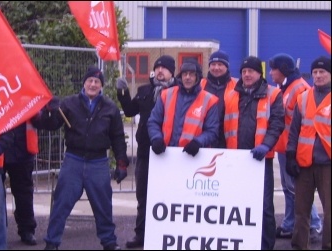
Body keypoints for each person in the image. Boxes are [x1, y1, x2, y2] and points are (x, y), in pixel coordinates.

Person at [39, 65, 130, 250]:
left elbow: (118, 138)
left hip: (98, 163)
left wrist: (122, 163)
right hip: (73, 160)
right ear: (84, 83)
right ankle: (52, 242)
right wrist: (48, 110)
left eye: (97, 82)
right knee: (61, 204)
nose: (93, 84)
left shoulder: (110, 108)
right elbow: (50, 125)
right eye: (90, 80)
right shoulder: (69, 103)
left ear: (101, 86)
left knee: (103, 206)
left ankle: (109, 242)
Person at [116, 55, 178, 248]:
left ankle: (168, 235)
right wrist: (123, 92)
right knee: (143, 196)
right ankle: (141, 235)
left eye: (164, 68)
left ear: (172, 72)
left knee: (169, 197)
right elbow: (129, 111)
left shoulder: (179, 92)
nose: (160, 71)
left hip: (171, 155)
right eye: (157, 68)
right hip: (145, 152)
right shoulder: (144, 90)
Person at [223, 56, 285, 250]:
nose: (247, 75)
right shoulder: (232, 94)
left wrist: (266, 146)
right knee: (237, 204)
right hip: (235, 160)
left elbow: (276, 123)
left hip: (260, 160)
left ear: (260, 73)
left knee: (265, 206)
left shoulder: (273, 94)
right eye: (244, 71)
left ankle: (266, 245)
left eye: (251, 71)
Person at [269, 53, 322, 242]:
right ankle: (290, 223)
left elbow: (304, 123)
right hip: (285, 147)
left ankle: (314, 224)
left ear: (282, 70)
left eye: (273, 68)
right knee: (288, 188)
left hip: (295, 149)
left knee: (296, 189)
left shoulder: (298, 89)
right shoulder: (288, 87)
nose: (270, 72)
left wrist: (294, 150)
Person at [286, 56, 331, 250]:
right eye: (315, 72)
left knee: (330, 211)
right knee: (301, 211)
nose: (318, 76)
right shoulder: (303, 98)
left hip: (328, 165)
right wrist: (290, 154)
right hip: (304, 164)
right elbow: (294, 129)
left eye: (322, 72)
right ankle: (299, 246)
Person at [147, 59, 219, 157]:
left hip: (194, 156)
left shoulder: (209, 100)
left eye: (191, 74)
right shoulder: (166, 94)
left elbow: (212, 131)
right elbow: (153, 121)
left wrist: (198, 142)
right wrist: (156, 138)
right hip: (166, 154)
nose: (187, 77)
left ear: (198, 77)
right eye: (184, 74)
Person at [1, 120, 45, 246]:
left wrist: (45, 112)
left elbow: (40, 120)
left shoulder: (27, 99)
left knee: (24, 193)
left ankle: (27, 229)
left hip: (22, 148)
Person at [200, 50, 237, 148]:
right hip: (203, 139)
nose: (216, 68)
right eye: (213, 64)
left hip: (226, 140)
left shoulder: (237, 86)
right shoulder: (200, 85)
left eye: (220, 64)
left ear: (227, 66)